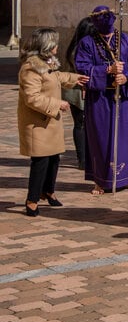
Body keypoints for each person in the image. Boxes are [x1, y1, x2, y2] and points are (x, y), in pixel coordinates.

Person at [19, 28, 89, 216]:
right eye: (55, 43)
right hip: (38, 124)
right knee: (40, 161)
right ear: (46, 46)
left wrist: (75, 79)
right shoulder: (30, 68)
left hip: (50, 122)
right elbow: (31, 98)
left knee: (54, 159)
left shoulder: (46, 64)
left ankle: (48, 191)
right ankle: (32, 200)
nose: (58, 46)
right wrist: (58, 104)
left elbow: (57, 77)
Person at [75, 5, 128, 194]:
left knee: (125, 138)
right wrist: (106, 71)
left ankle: (127, 178)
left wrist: (126, 77)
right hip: (99, 99)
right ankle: (100, 180)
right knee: (101, 138)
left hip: (122, 98)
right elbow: (81, 68)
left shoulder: (126, 40)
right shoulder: (87, 43)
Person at [64, 17, 94, 170]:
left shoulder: (77, 46)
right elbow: (81, 71)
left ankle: (86, 156)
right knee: (81, 124)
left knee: (82, 124)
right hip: (79, 91)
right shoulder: (79, 48)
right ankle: (82, 158)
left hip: (77, 90)